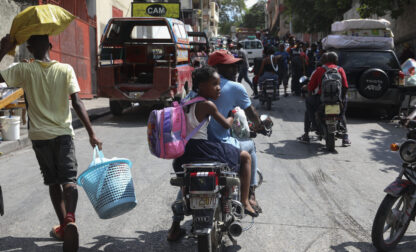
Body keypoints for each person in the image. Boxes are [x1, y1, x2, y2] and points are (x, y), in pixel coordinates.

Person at [0, 34, 102, 252]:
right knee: (69, 180)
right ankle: (71, 218)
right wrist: (92, 133)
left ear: (29, 48)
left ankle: (65, 227)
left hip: (40, 137)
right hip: (63, 134)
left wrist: (3, 49)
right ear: (51, 46)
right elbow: (77, 102)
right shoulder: (66, 70)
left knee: (53, 182)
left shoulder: (24, 70)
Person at [167, 50, 265, 241]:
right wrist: (242, 118)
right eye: (230, 65)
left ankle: (175, 223)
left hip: (185, 153)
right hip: (211, 148)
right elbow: (242, 116)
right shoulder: (231, 90)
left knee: (190, 178)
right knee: (247, 152)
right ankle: (247, 198)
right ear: (216, 70)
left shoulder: (188, 98)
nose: (236, 68)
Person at [297, 51, 351, 146]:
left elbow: (310, 87)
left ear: (326, 60)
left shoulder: (320, 70)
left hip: (321, 100)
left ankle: (309, 131)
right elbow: (346, 87)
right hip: (337, 100)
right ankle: (345, 137)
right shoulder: (340, 69)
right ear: (335, 60)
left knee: (308, 103)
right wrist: (341, 100)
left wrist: (309, 96)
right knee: (342, 114)